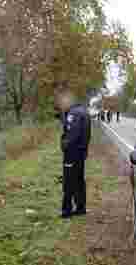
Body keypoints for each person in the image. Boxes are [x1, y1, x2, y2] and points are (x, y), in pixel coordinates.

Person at [56, 89, 91, 218]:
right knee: (79, 181)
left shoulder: (73, 114)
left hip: (72, 153)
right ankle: (81, 207)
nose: (61, 105)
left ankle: (67, 210)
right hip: (81, 153)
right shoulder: (84, 112)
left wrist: (63, 145)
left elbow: (72, 135)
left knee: (68, 181)